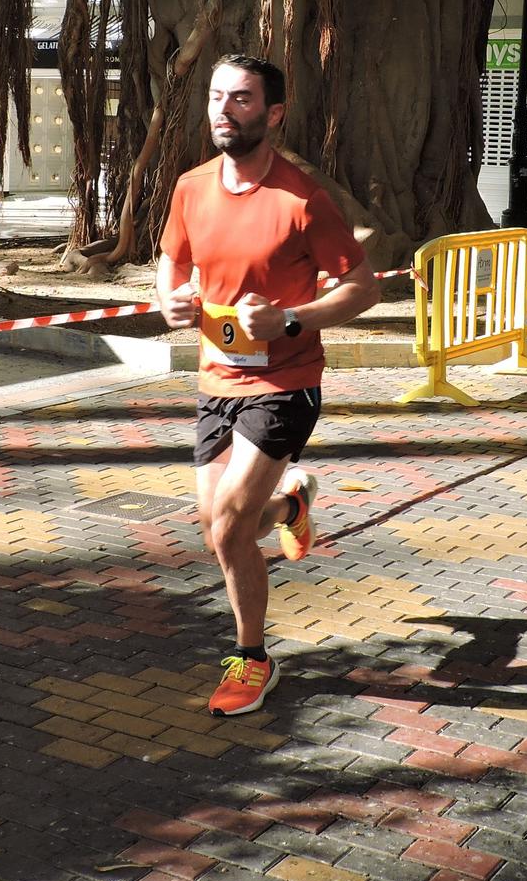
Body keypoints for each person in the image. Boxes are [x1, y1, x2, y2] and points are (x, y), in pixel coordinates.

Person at [158, 54, 379, 716]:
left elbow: (361, 287)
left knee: (227, 531)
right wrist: (172, 300)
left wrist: (290, 318)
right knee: (221, 524)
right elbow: (168, 262)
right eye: (217, 98)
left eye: (243, 100)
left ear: (273, 113)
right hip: (215, 382)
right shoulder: (191, 187)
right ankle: (292, 506)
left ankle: (253, 658)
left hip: (285, 383)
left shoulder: (301, 198)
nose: (225, 111)